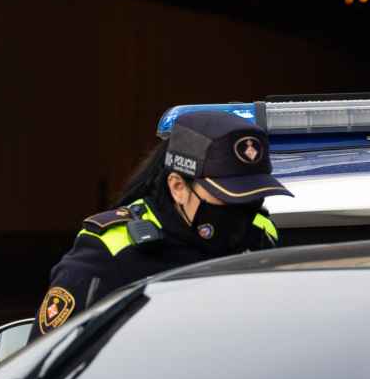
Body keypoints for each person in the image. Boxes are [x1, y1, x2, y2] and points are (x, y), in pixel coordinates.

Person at [35, 110, 290, 336]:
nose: (242, 214)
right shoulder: (112, 250)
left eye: (252, 199)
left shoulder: (261, 236)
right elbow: (48, 360)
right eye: (226, 198)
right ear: (178, 187)